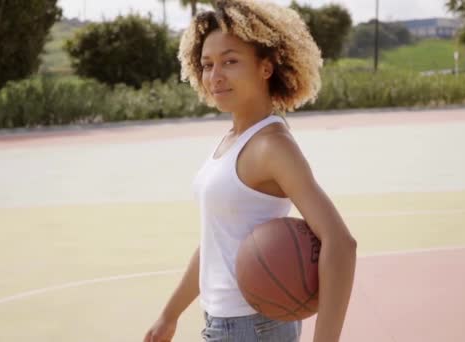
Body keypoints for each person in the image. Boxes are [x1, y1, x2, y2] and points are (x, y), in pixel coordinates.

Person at [144, 0, 357, 341]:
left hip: (252, 327)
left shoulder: (272, 145)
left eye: (230, 61)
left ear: (266, 67)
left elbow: (341, 243)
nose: (215, 76)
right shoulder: (232, 140)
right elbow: (217, 241)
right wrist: (170, 314)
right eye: (207, 64)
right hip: (227, 322)